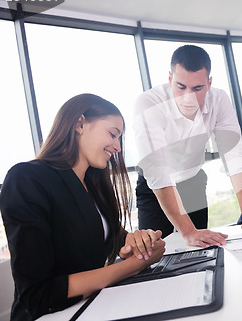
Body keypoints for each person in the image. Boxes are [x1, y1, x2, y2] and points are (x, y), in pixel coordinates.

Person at [0, 94, 166, 320]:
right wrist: (132, 266)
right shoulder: (26, 178)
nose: (117, 146)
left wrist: (138, 243)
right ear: (80, 124)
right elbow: (38, 293)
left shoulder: (93, 185)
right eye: (112, 134)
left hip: (93, 308)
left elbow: (115, 238)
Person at [134, 45, 242, 247]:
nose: (188, 97)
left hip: (192, 182)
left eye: (197, 88)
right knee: (154, 252)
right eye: (181, 87)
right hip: (155, 188)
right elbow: (158, 173)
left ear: (209, 83)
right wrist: (188, 231)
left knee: (201, 249)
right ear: (169, 79)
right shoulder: (148, 103)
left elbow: (234, 158)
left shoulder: (219, 101)